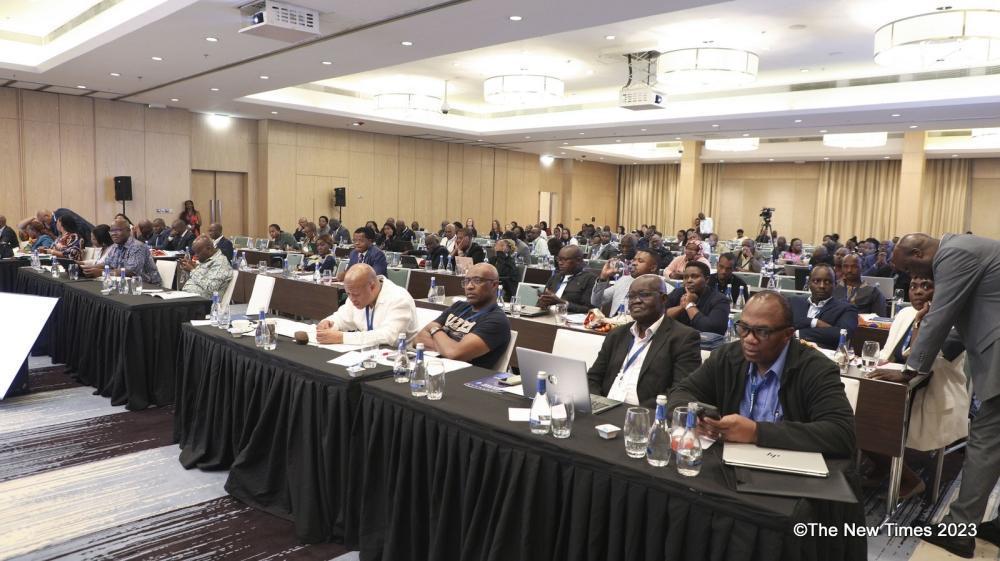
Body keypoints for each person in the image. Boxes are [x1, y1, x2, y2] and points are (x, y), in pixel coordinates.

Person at [890, 233, 1000, 558]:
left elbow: (941, 315)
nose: (912, 277)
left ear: (918, 253)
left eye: (909, 269)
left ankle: (960, 530)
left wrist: (910, 371)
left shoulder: (954, 252)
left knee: (985, 442)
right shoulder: (967, 249)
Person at [667, 291, 856, 458]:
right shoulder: (727, 357)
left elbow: (841, 434)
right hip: (728, 461)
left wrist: (756, 432)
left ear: (788, 334)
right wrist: (694, 417)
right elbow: (680, 393)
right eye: (744, 328)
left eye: (762, 332)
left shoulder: (815, 368)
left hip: (788, 467)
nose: (749, 339)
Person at [864, 274, 969, 499]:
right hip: (899, 391)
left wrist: (921, 323)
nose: (918, 291)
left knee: (868, 421)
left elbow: (920, 362)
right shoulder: (904, 314)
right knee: (855, 410)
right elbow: (887, 355)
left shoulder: (957, 322)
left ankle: (911, 480)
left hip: (935, 395)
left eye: (926, 286)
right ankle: (883, 464)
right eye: (913, 286)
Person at [587, 274, 701, 407]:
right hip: (604, 406)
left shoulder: (683, 337)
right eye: (631, 296)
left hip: (644, 412)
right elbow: (593, 377)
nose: (636, 301)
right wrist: (594, 403)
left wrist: (638, 412)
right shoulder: (617, 334)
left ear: (663, 299)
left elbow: (681, 390)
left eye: (644, 295)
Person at [414, 263, 511, 369]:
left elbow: (455, 353)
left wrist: (435, 330)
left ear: (494, 285)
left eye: (477, 281)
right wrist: (446, 350)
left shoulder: (497, 320)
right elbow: (418, 340)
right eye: (466, 281)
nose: (469, 286)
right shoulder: (459, 306)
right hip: (434, 366)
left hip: (463, 376)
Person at [316, 264, 418, 346]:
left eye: (356, 294)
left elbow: (389, 336)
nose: (351, 299)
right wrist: (329, 323)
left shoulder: (399, 298)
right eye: (348, 294)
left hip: (398, 357)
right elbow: (342, 318)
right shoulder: (355, 293)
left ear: (372, 287)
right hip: (369, 353)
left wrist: (342, 337)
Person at [789, 264, 858, 349]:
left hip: (821, 354)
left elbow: (842, 334)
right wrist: (815, 322)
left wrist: (798, 333)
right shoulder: (794, 302)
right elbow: (784, 324)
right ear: (809, 283)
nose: (822, 286)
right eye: (816, 281)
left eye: (827, 282)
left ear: (835, 284)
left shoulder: (847, 309)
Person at [85, 218, 161, 284]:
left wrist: (102, 272)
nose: (114, 234)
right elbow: (107, 264)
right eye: (111, 231)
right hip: (127, 284)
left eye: (118, 230)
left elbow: (130, 272)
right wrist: (88, 268)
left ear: (128, 231)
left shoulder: (137, 247)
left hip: (148, 286)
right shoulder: (115, 246)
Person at [665, 261, 730, 335]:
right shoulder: (678, 292)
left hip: (703, 341)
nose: (689, 280)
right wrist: (681, 307)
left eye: (694, 277)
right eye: (685, 277)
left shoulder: (720, 300)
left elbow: (712, 329)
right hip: (676, 338)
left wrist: (689, 305)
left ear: (706, 280)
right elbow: (660, 317)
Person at [591, 248, 660, 316]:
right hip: (614, 321)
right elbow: (596, 302)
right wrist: (603, 278)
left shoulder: (660, 287)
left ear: (653, 268)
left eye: (640, 261)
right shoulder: (623, 280)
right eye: (634, 260)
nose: (634, 263)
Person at [538, 245, 597, 314]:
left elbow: (589, 310)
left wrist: (561, 303)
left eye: (565, 260)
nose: (560, 263)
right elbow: (540, 302)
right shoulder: (555, 277)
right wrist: (542, 303)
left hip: (570, 318)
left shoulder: (590, 279)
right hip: (547, 315)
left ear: (578, 260)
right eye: (559, 259)